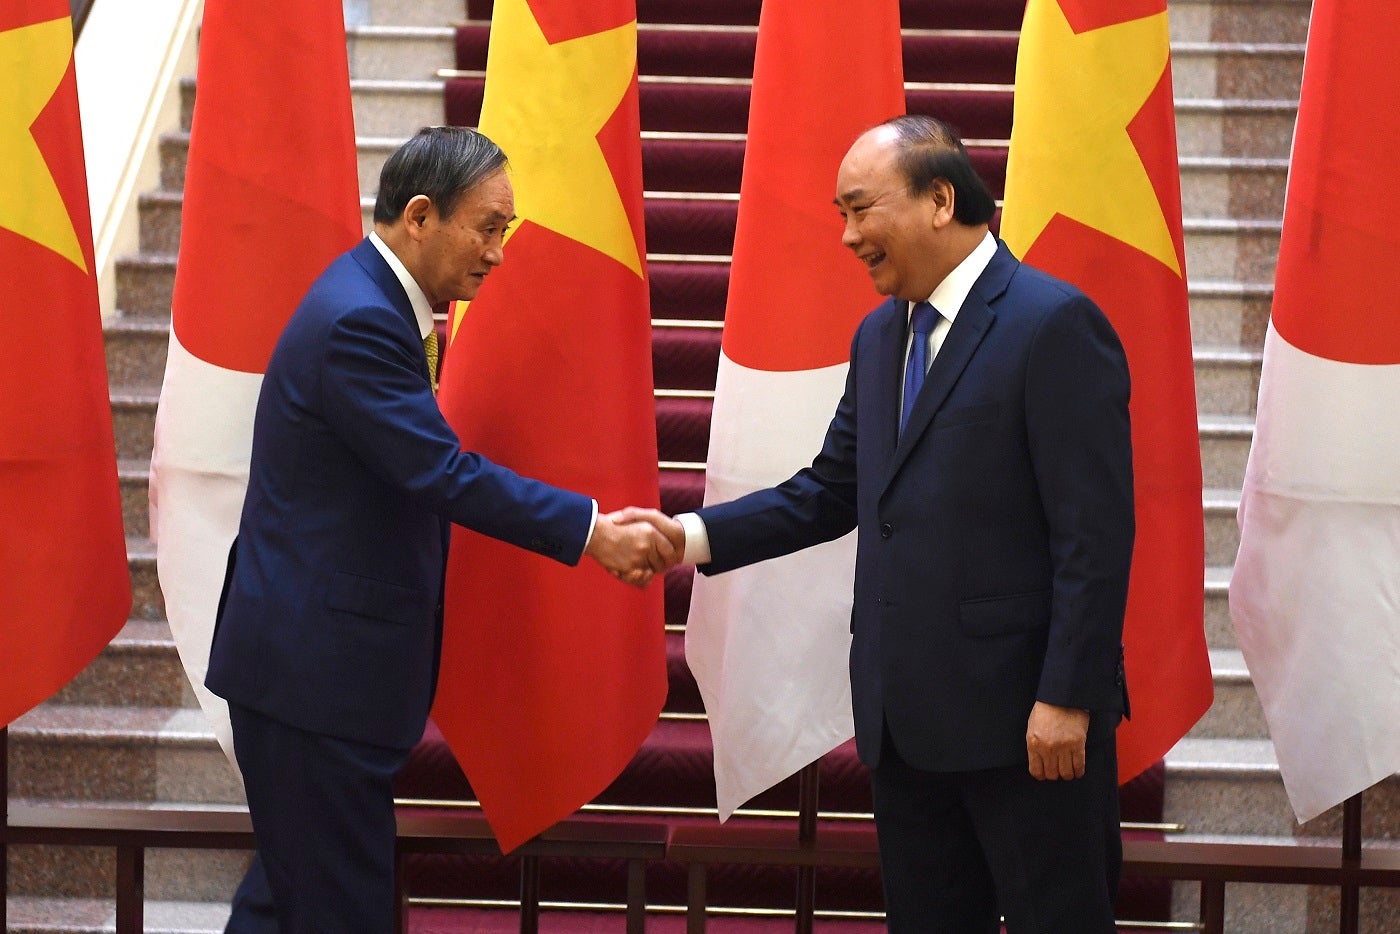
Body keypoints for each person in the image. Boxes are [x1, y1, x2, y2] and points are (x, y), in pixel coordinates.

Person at [651, 115, 1136, 932]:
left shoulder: (1052, 324)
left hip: (1026, 727)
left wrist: (1067, 697)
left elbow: (1094, 534)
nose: (846, 236)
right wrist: (689, 537)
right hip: (905, 727)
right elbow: (829, 491)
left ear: (940, 199)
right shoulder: (882, 336)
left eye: (859, 209)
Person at [205, 126, 674, 933]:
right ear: (419, 216)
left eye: (506, 232)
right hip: (317, 679)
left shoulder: (373, 299)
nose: (498, 251)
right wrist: (591, 532)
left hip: (312, 674)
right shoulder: (360, 320)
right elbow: (440, 473)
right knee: (336, 910)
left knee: (289, 902)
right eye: (488, 228)